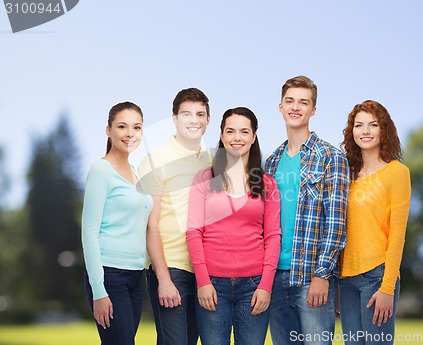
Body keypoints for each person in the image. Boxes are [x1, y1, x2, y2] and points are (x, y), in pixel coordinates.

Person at [265, 75, 350, 344]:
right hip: (274, 279)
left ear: (313, 110)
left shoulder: (331, 157)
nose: (295, 107)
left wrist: (322, 275)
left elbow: (336, 223)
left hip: (310, 277)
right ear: (280, 107)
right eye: (289, 101)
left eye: (303, 102)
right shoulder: (271, 162)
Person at [186, 107, 281, 345]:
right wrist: (203, 281)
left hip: (253, 286)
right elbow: (194, 232)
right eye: (230, 131)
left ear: (253, 136)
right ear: (221, 135)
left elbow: (273, 237)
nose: (237, 138)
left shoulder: (267, 184)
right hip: (213, 285)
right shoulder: (204, 179)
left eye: (244, 131)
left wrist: (266, 285)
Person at [137, 88, 211, 345]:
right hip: (172, 269)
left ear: (208, 120)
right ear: (174, 118)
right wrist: (164, 279)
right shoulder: (155, 160)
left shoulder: (213, 161)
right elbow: (150, 225)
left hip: (204, 271)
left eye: (200, 114)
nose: (194, 120)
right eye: (186, 114)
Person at [339, 100, 411, 345]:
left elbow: (398, 234)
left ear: (384, 130)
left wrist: (387, 287)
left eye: (373, 124)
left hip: (377, 277)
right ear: (352, 132)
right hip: (345, 278)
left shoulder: (397, 173)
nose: (365, 131)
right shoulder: (346, 174)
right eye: (359, 125)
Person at [82, 101, 153, 345]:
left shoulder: (135, 171)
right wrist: (99, 291)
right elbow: (89, 233)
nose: (130, 133)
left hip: (135, 275)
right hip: (110, 275)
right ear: (108, 130)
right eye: (122, 126)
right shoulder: (101, 170)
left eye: (137, 127)